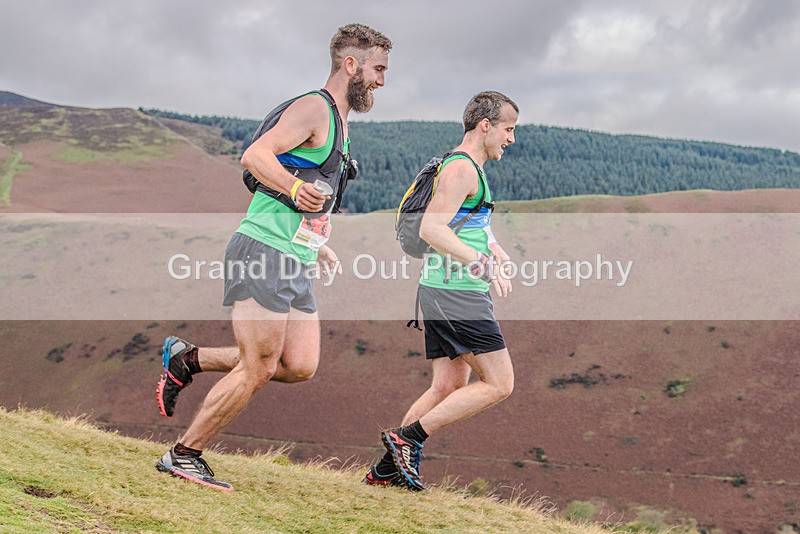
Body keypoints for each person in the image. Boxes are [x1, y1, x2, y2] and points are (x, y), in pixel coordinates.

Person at [155, 23, 392, 491]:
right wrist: (296, 187)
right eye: (378, 69)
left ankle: (187, 360)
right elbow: (256, 155)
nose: (382, 81)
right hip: (263, 249)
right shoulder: (314, 109)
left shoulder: (340, 125)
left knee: (298, 364)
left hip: (294, 256)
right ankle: (183, 455)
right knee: (259, 365)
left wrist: (315, 243)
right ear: (351, 65)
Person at [364, 91, 518, 491]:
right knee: (500, 383)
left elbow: (468, 220)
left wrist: (493, 246)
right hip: (457, 293)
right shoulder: (461, 169)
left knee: (447, 387)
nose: (511, 138)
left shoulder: (471, 169)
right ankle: (406, 440)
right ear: (485, 125)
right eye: (508, 129)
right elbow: (431, 228)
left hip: (446, 289)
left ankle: (386, 470)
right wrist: (481, 263)